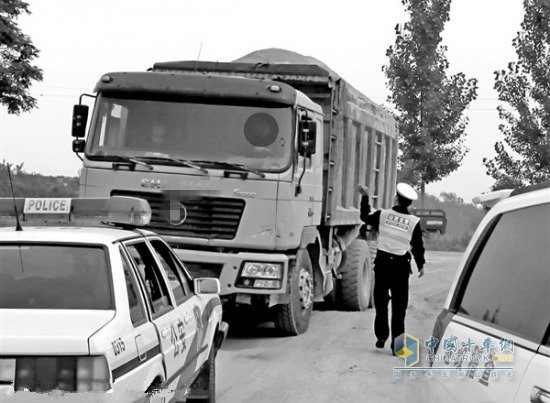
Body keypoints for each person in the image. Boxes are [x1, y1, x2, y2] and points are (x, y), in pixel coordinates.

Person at [358, 183, 425, 354]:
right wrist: (421, 265)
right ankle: (398, 347)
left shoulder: (383, 215)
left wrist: (365, 197)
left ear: (396, 198)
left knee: (381, 304)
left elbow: (365, 217)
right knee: (399, 308)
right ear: (409, 203)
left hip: (382, 266)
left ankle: (381, 337)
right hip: (401, 269)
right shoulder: (414, 222)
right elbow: (417, 246)